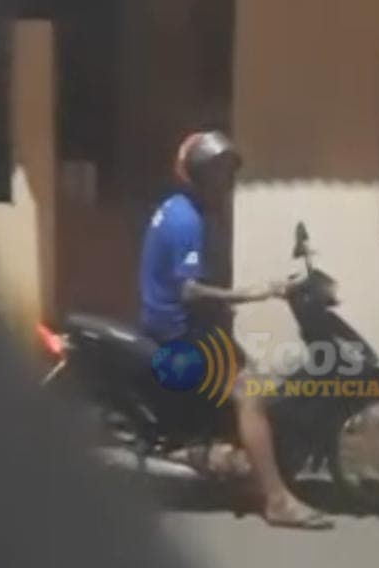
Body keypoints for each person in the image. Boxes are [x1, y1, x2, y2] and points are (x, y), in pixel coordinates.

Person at [139, 130, 333, 530]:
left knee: (254, 373)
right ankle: (277, 500)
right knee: (252, 394)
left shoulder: (178, 207)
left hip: (185, 327)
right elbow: (189, 290)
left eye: (227, 172)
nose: (225, 180)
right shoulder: (186, 220)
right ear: (196, 173)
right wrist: (252, 293)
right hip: (178, 335)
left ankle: (243, 466)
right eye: (216, 172)